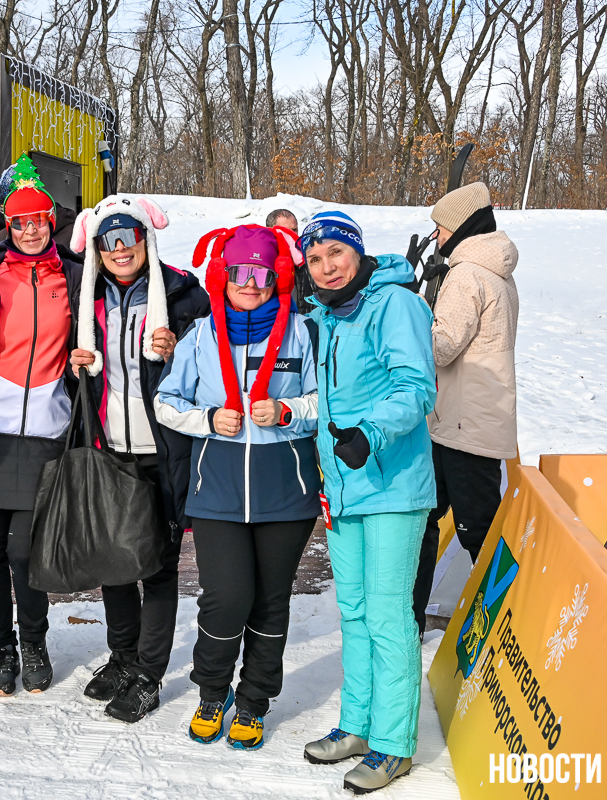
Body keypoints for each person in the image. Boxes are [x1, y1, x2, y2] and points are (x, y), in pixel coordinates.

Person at [155, 224, 320, 750]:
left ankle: (253, 701)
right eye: (240, 272)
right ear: (223, 276)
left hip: (285, 491)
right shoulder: (201, 335)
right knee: (225, 599)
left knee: (270, 602)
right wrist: (207, 418)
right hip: (218, 488)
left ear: (278, 278)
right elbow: (166, 402)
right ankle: (212, 691)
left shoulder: (302, 331)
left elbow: (328, 402)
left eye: (262, 274)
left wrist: (289, 410)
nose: (250, 283)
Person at [297, 211, 436, 792]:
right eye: (315, 259)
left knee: (386, 615)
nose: (327, 267)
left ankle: (394, 745)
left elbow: (416, 386)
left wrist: (370, 433)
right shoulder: (325, 316)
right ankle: (356, 726)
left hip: (391, 485)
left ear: (357, 252)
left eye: (336, 253)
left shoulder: (395, 304)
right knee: (352, 612)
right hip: (343, 488)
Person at [68, 194, 209, 722]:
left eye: (128, 237)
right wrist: (74, 366)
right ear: (97, 249)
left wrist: (180, 349)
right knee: (116, 563)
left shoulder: (182, 294)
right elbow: (81, 376)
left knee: (158, 567)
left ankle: (149, 674)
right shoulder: (89, 296)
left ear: (146, 239)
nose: (120, 249)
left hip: (162, 451)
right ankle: (123, 657)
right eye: (109, 241)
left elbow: (211, 368)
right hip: (110, 448)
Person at [0, 155, 84, 696]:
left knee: (25, 551)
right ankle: (2, 649)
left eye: (38, 220)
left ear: (51, 221)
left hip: (46, 429)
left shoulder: (74, 275)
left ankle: (33, 641)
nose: (30, 230)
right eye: (19, 222)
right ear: (7, 225)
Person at [412, 182, 519, 637]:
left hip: (463, 423)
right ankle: (412, 618)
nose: (436, 238)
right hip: (473, 416)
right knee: (426, 516)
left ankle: (505, 628)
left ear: (459, 228)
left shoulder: (466, 275)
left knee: (478, 530)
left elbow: (441, 346)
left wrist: (415, 311)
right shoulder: (497, 270)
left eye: (440, 229)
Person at [267, 208, 314, 315]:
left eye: (294, 230)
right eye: (285, 231)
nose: (292, 235)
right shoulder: (264, 263)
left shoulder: (308, 259)